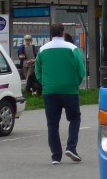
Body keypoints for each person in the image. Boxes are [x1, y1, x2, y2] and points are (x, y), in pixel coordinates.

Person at [35, 23, 86, 164]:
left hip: (50, 91)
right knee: (74, 118)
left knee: (52, 124)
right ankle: (71, 147)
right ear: (63, 33)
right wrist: (74, 83)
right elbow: (81, 70)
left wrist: (45, 84)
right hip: (69, 90)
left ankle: (56, 156)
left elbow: (37, 71)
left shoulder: (42, 50)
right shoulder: (72, 49)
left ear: (51, 33)